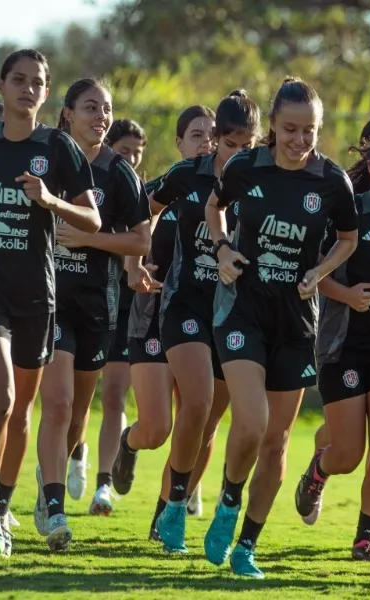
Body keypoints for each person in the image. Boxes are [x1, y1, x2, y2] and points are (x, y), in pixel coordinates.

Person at [0, 48, 101, 556]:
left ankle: (4, 506)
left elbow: (92, 221)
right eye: (18, 79)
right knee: (2, 396)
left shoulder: (58, 147)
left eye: (36, 82)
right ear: (1, 85)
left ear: (46, 93)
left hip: (36, 293)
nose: (27, 88)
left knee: (20, 414)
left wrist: (49, 200)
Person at [203, 76, 358, 578]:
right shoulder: (246, 166)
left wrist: (321, 270)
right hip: (245, 311)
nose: (299, 140)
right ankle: (229, 499)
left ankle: (247, 544)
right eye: (290, 129)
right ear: (271, 126)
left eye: (309, 130)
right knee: (250, 422)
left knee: (276, 440)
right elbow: (214, 207)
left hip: (295, 321)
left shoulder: (332, 182)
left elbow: (349, 238)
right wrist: (223, 249)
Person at [32, 79, 152, 544]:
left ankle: (54, 476)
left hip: (97, 309)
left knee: (78, 413)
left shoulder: (120, 172)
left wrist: (89, 238)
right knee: (57, 401)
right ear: (67, 114)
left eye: (106, 109)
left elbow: (140, 241)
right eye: (90, 107)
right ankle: (55, 509)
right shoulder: (45, 158)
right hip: (48, 300)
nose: (100, 116)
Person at [145, 90, 262, 553]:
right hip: (186, 304)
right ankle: (176, 505)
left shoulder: (263, 182)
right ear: (215, 142)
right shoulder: (186, 176)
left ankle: (165, 511)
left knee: (210, 423)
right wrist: (140, 260)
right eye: (232, 145)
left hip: (233, 314)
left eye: (248, 146)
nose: (240, 155)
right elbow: (147, 210)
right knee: (196, 402)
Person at [293, 128, 370, 564]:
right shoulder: (351, 213)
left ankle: (366, 535)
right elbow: (314, 274)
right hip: (342, 344)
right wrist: (348, 296)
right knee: (347, 453)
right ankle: (318, 472)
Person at [112, 105, 216, 537]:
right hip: (154, 316)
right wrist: (135, 265)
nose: (205, 143)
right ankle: (128, 443)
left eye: (213, 135)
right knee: (157, 428)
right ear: (178, 143)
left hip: (208, 321)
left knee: (201, 422)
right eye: (196, 135)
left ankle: (164, 514)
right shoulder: (159, 190)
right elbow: (127, 238)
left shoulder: (233, 191)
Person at [82, 117, 151, 516]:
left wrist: (138, 264)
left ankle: (103, 485)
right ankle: (77, 450)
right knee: (76, 397)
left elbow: (145, 239)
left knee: (114, 395)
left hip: (127, 306)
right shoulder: (88, 184)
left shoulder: (139, 192)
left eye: (137, 155)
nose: (130, 160)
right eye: (124, 152)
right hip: (88, 298)